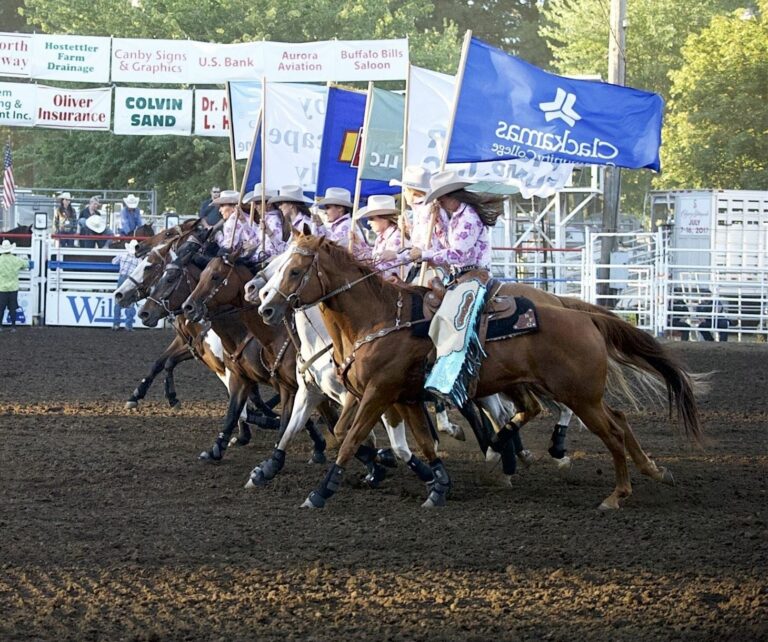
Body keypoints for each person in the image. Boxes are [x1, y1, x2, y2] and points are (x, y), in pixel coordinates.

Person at [409, 171, 503, 407]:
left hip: (474, 275)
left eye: (441, 198)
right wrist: (437, 221)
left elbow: (457, 253)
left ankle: (453, 377)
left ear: (452, 196)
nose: (438, 203)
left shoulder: (468, 217)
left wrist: (425, 254)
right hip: (459, 277)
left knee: (454, 318)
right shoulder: (454, 216)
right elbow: (444, 246)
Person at [390, 165, 445, 282]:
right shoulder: (420, 210)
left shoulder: (428, 210)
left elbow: (429, 245)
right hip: (424, 265)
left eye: (405, 190)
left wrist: (397, 255)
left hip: (432, 268)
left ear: (412, 192)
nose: (404, 194)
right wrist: (407, 230)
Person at [355, 195, 409, 280]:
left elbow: (387, 271)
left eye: (371, 218)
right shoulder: (382, 237)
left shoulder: (397, 238)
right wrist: (358, 242)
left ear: (384, 218)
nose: (368, 222)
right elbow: (374, 258)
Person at [315, 187, 371, 259]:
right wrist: (320, 225)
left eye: (328, 207)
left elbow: (329, 247)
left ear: (340, 208)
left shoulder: (346, 226)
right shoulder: (345, 224)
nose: (325, 212)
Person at [241, 184, 291, 259]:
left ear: (269, 204)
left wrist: (253, 252)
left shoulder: (274, 220)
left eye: (257, 203)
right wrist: (243, 221)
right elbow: (256, 240)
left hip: (264, 261)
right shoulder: (266, 219)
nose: (254, 206)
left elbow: (272, 249)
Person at [0, 239, 30, 333]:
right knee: (13, 308)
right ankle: (13, 326)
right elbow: (27, 264)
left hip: (2, 287)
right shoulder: (16, 259)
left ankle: (0, 326)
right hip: (13, 287)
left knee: (1, 308)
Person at [111, 239, 140, 331]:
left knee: (118, 301)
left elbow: (113, 262)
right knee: (131, 303)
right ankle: (128, 325)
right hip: (132, 280)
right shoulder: (138, 259)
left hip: (122, 278)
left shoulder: (122, 255)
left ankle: (116, 324)